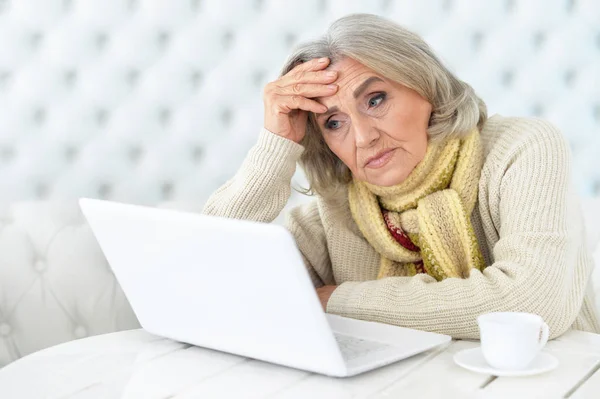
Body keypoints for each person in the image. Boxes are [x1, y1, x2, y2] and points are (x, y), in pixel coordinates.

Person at [202, 13, 599, 339]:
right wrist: (275, 144)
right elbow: (208, 269)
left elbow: (532, 303)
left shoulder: (521, 149)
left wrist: (337, 300)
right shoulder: (336, 204)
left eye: (375, 100)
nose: (363, 137)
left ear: (424, 85)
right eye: (334, 122)